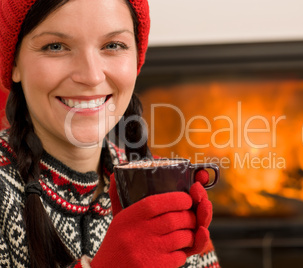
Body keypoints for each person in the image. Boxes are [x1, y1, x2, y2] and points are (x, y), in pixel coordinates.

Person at [0, 0, 220, 267]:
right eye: (55, 46)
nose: (91, 76)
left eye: (113, 45)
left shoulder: (157, 184)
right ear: (14, 65)